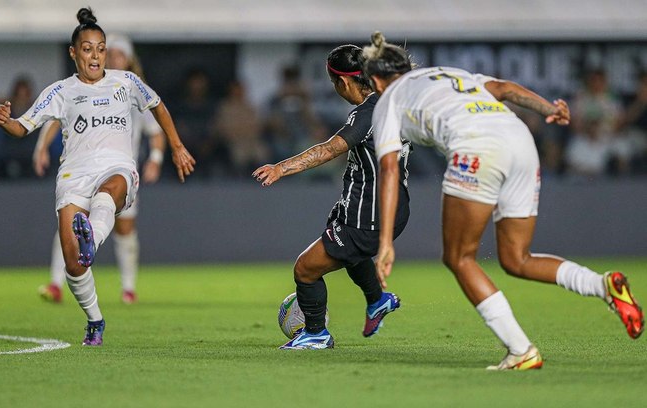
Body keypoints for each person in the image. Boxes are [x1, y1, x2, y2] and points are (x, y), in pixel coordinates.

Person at [363, 32, 644, 370]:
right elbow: (506, 89)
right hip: (520, 141)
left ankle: (520, 349)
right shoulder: (451, 74)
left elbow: (390, 170)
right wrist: (549, 108)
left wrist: (385, 243)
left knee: (459, 257)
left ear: (377, 80)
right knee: (516, 258)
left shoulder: (388, 101)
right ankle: (602, 285)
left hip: (477, 148)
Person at [0, 8, 195, 346]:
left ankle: (93, 241)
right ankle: (95, 318)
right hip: (73, 175)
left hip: (117, 167)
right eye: (88, 49)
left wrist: (175, 147)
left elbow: (158, 106)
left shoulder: (126, 82)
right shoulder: (60, 91)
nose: (96, 55)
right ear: (74, 53)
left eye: (101, 48)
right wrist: (5, 120)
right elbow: (23, 126)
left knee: (109, 192)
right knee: (74, 266)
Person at [253, 45, 412, 350]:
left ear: (343, 82)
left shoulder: (368, 112)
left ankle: (315, 333)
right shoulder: (392, 103)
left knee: (305, 269)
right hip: (389, 208)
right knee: (351, 254)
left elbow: (330, 149)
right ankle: (377, 300)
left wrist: (281, 168)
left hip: (369, 213)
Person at [35, 33, 167, 305]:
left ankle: (128, 288)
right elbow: (57, 118)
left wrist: (155, 157)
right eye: (112, 52)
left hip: (119, 170)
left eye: (119, 53)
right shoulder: (83, 87)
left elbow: (156, 130)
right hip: (84, 167)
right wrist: (41, 148)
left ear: (128, 58)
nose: (114, 57)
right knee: (71, 222)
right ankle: (56, 283)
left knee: (125, 228)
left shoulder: (132, 88)